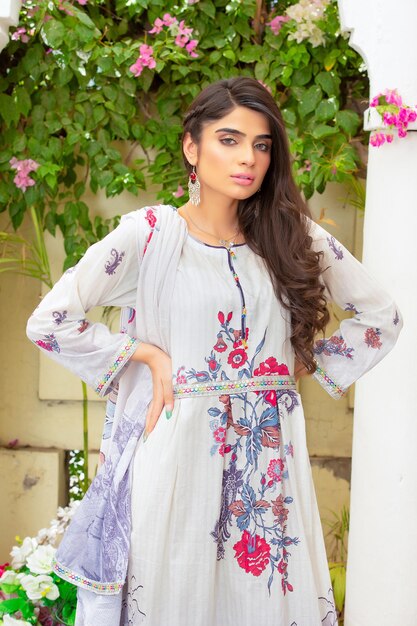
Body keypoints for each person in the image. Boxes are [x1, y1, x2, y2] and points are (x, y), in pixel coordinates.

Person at [26, 77, 402, 626]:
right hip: (176, 464)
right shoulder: (149, 236)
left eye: (262, 144)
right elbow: (51, 321)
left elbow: (381, 316)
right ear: (190, 147)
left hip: (267, 473)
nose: (248, 157)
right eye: (229, 140)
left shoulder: (293, 236)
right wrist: (145, 355)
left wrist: (305, 361)